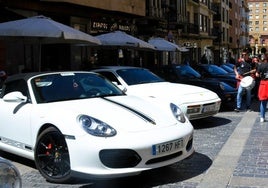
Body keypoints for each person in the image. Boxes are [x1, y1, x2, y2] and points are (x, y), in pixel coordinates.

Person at [256, 57, 268, 122]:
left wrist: (261, 75)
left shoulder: (261, 65)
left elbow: (257, 75)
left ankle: (262, 117)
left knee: (263, 101)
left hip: (263, 83)